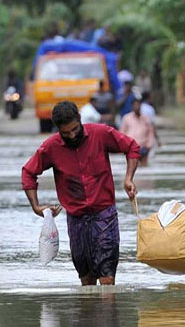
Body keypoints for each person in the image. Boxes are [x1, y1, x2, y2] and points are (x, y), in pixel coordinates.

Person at [22, 101, 141, 286]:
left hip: (104, 215)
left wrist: (128, 178)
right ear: (58, 130)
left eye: (75, 129)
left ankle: (108, 312)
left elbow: (132, 147)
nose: (72, 135)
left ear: (80, 119)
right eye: (66, 133)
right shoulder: (51, 147)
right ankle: (87, 313)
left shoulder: (101, 134)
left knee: (107, 275)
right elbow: (29, 172)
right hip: (76, 219)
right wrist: (36, 206)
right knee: (85, 278)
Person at [120, 99, 157, 166]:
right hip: (131, 147)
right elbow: (122, 133)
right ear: (132, 106)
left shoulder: (146, 118)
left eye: (138, 105)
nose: (137, 107)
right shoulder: (127, 118)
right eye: (135, 105)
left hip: (144, 146)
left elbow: (151, 132)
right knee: (131, 167)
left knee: (144, 166)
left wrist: (149, 145)